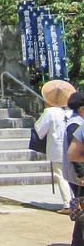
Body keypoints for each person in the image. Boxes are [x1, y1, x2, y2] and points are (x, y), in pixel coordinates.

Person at [36, 80, 76, 211]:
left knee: (61, 175)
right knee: (74, 174)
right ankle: (76, 201)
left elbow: (39, 129)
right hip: (73, 147)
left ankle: (68, 204)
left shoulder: (50, 112)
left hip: (57, 148)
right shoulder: (72, 111)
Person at [63, 91, 84, 246]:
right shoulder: (76, 124)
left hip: (76, 174)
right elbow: (74, 154)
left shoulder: (75, 122)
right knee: (81, 207)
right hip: (78, 175)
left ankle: (77, 241)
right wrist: (81, 174)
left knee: (81, 209)